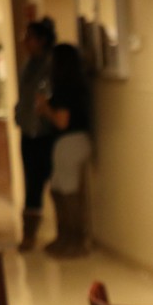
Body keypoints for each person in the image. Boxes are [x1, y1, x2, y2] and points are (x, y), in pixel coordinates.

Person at [35, 42, 92, 258]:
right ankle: (65, 237)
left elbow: (62, 121)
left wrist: (45, 108)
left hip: (70, 141)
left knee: (68, 194)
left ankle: (75, 241)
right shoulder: (74, 85)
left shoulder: (65, 87)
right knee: (59, 191)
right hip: (74, 142)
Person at [14, 17, 57, 251]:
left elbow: (46, 96)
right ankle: (28, 233)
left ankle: (39, 233)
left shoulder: (50, 64)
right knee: (31, 181)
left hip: (44, 132)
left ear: (41, 40)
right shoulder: (27, 65)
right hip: (28, 131)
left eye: (29, 37)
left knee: (44, 181)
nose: (24, 42)